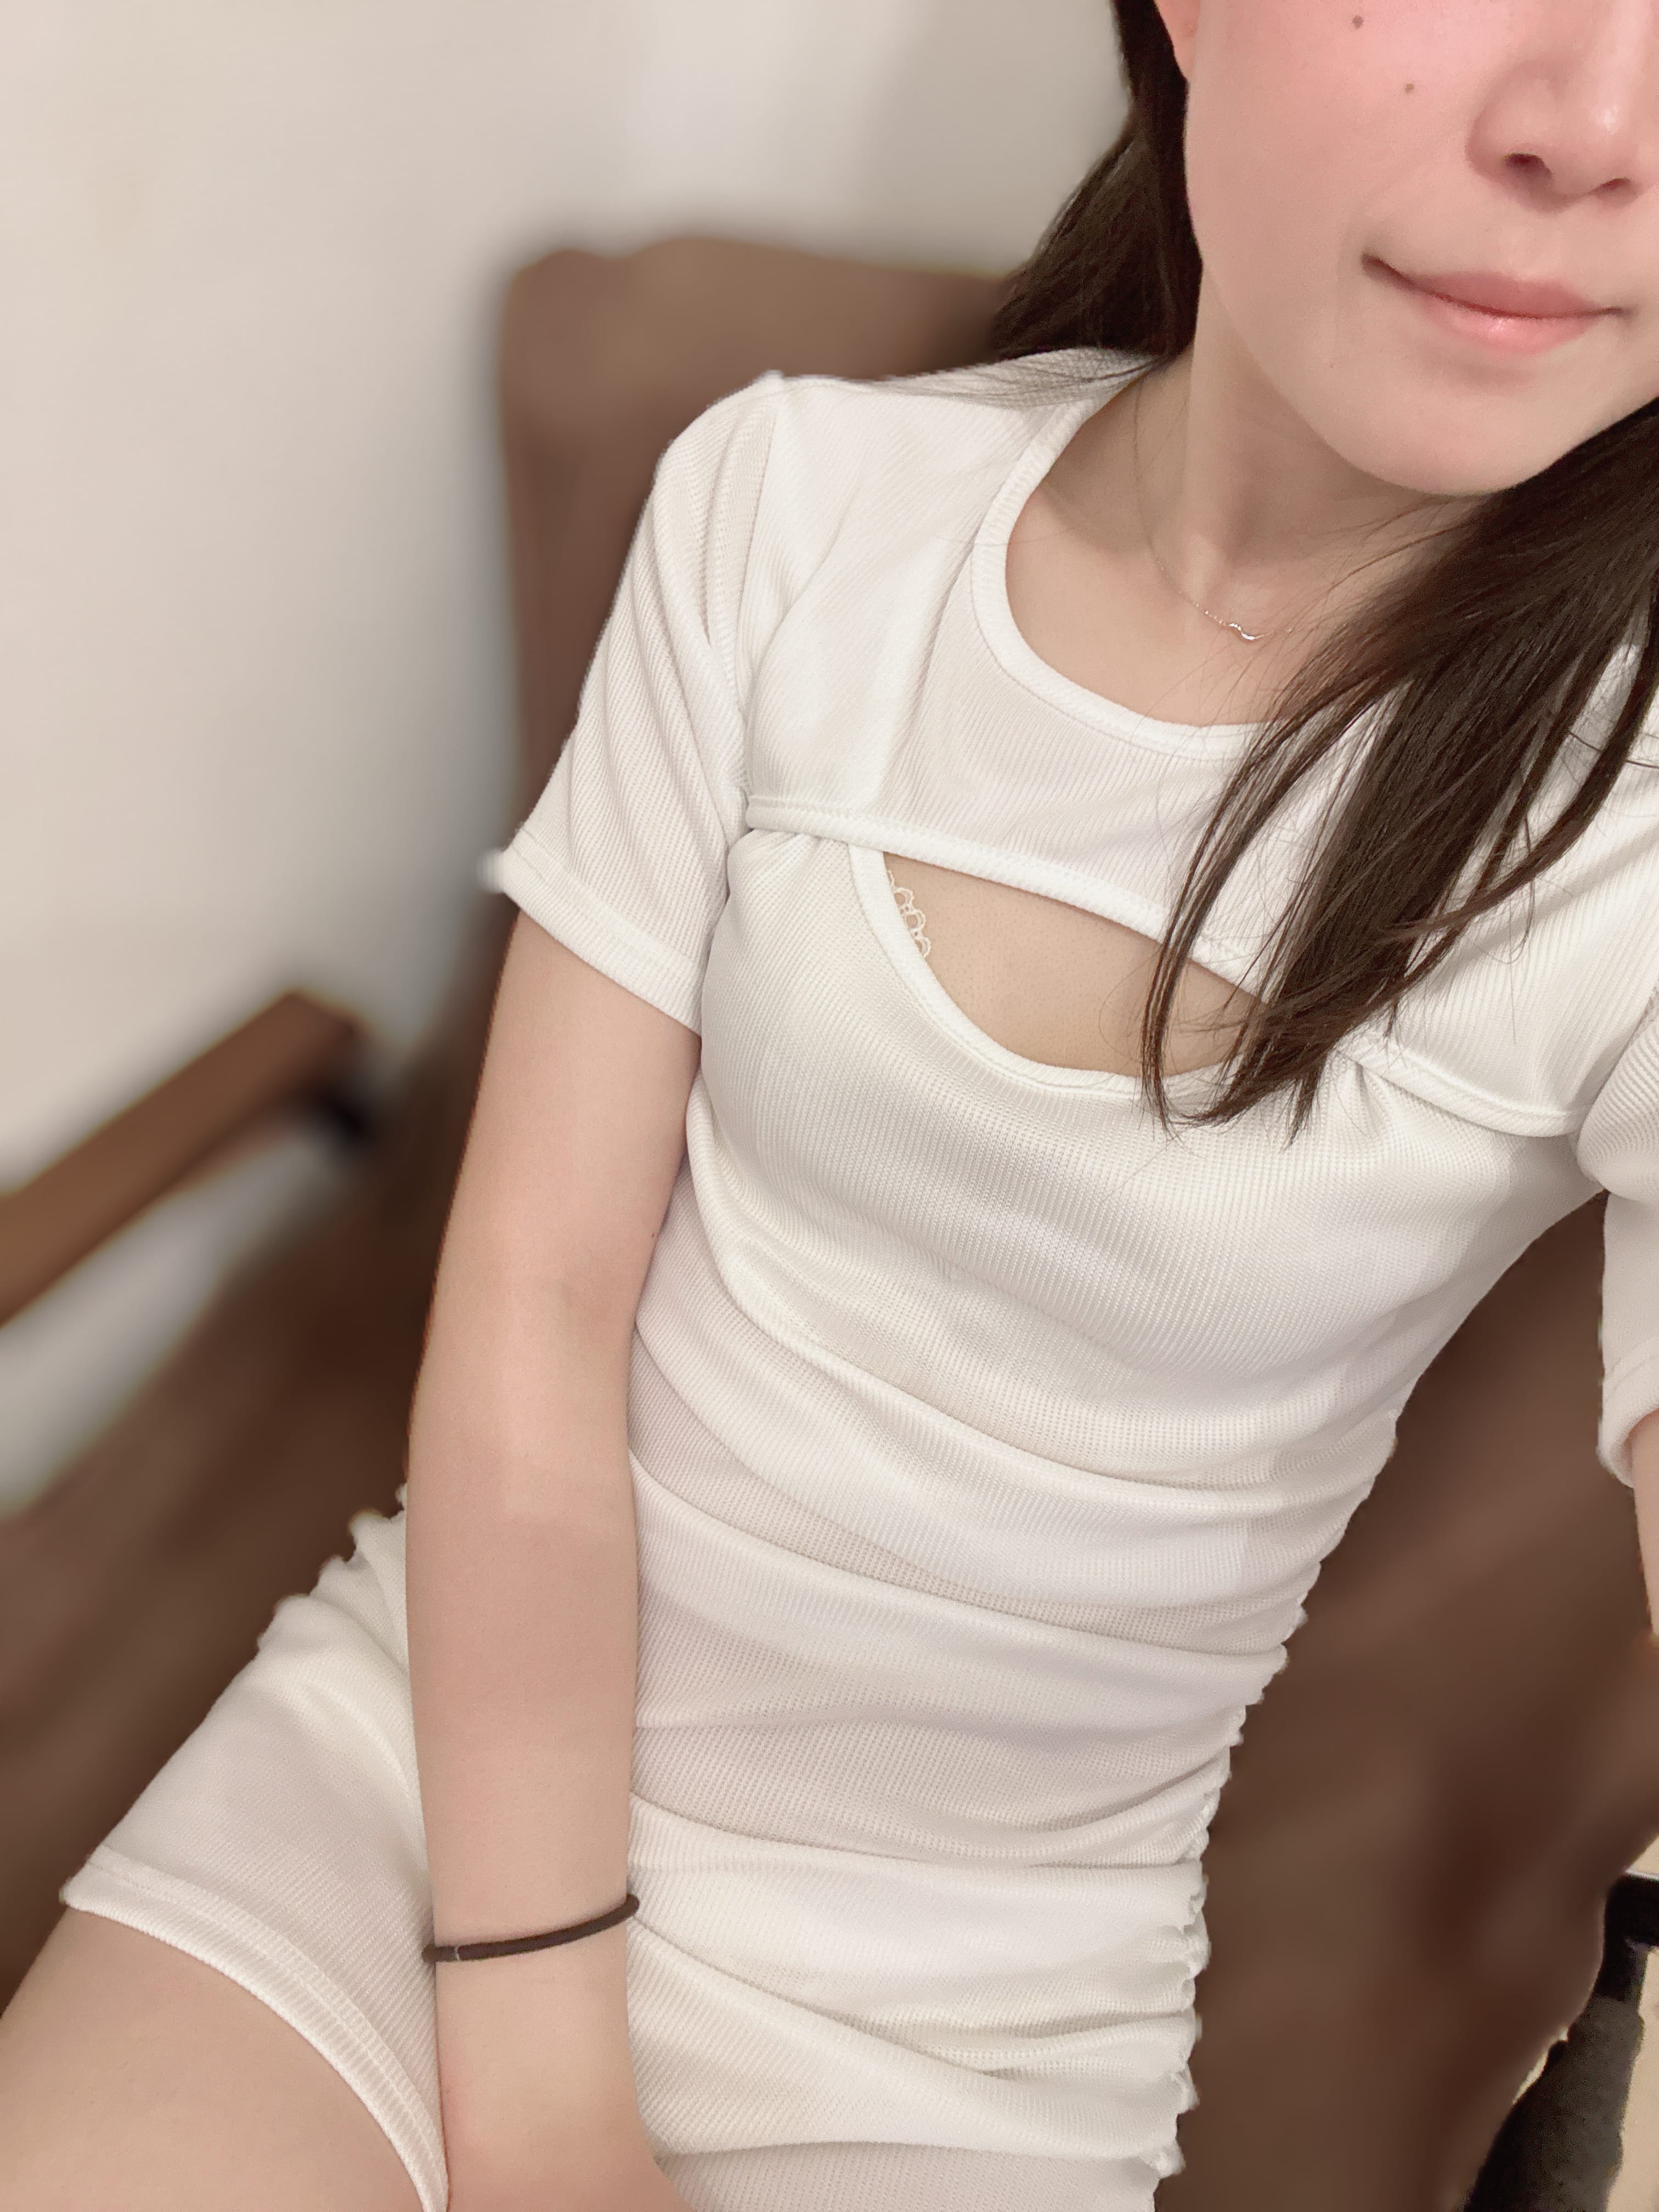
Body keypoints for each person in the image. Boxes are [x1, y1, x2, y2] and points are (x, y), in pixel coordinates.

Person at [5, 1, 1659, 2207]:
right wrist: (547, 2096)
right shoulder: (795, 507)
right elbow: (539, 1303)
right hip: (431, 1787)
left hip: (962, 2033)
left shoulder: (1629, 830)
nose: (1596, 126)